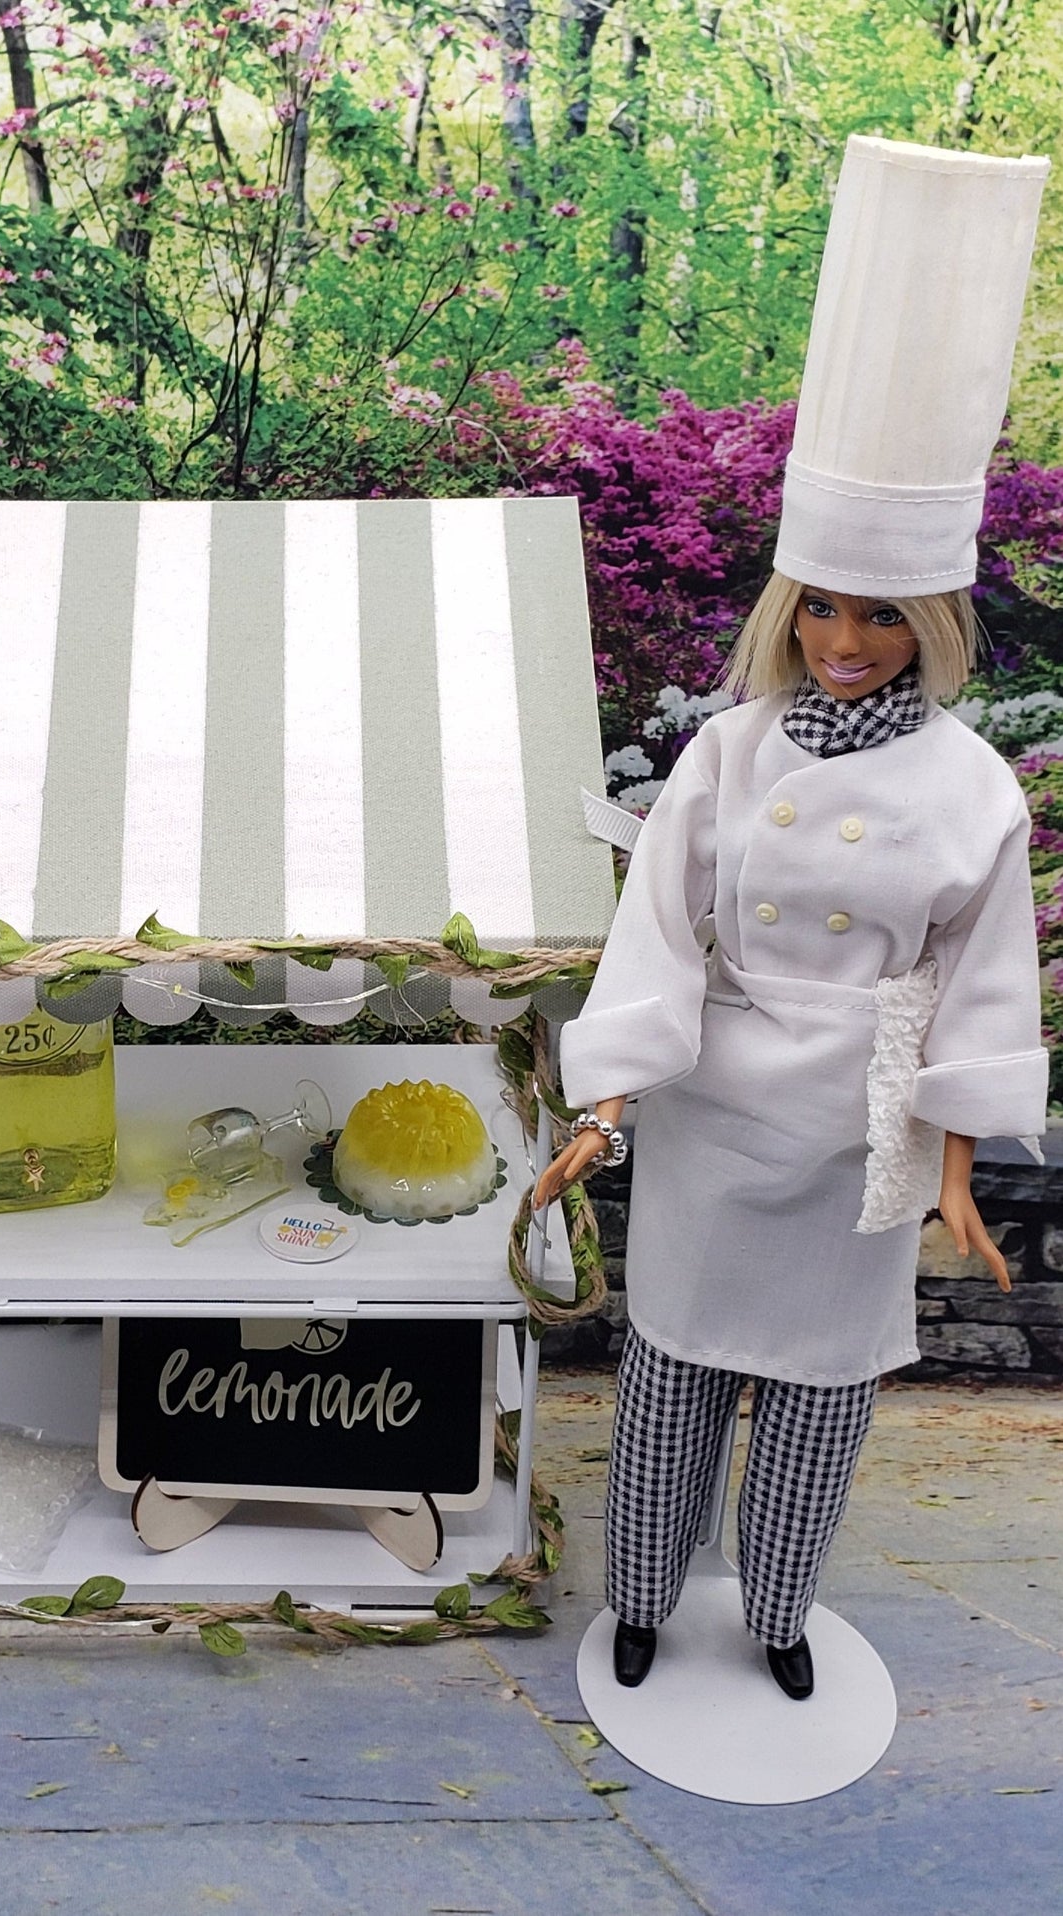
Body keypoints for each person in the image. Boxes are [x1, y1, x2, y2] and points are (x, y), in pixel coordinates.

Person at [533, 136, 1050, 1702]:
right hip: (717, 1094)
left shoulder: (969, 786)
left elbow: (977, 976)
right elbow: (659, 933)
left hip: (864, 1117)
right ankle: (638, 1599)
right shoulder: (730, 752)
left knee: (824, 1391)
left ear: (928, 622)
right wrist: (607, 1100)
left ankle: (775, 1616)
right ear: (784, 608)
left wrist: (953, 1162)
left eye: (878, 612)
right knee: (673, 1373)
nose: (842, 637)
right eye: (819, 604)